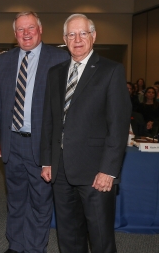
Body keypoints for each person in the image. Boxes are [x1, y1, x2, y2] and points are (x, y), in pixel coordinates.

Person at [40, 14, 131, 253]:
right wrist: (47, 161)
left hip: (96, 174)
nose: (77, 39)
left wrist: (109, 171)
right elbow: (49, 121)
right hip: (60, 173)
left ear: (93, 36)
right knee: (69, 237)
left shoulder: (111, 71)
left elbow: (118, 126)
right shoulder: (55, 73)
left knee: (100, 239)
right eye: (71, 34)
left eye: (83, 33)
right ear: (64, 39)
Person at [0, 11, 69, 253]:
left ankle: (34, 248)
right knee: (15, 199)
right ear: (15, 34)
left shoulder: (59, 58)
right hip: (11, 142)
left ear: (40, 29)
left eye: (30, 28)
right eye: (21, 30)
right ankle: (15, 245)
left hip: (42, 144)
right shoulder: (4, 60)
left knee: (40, 201)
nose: (26, 33)